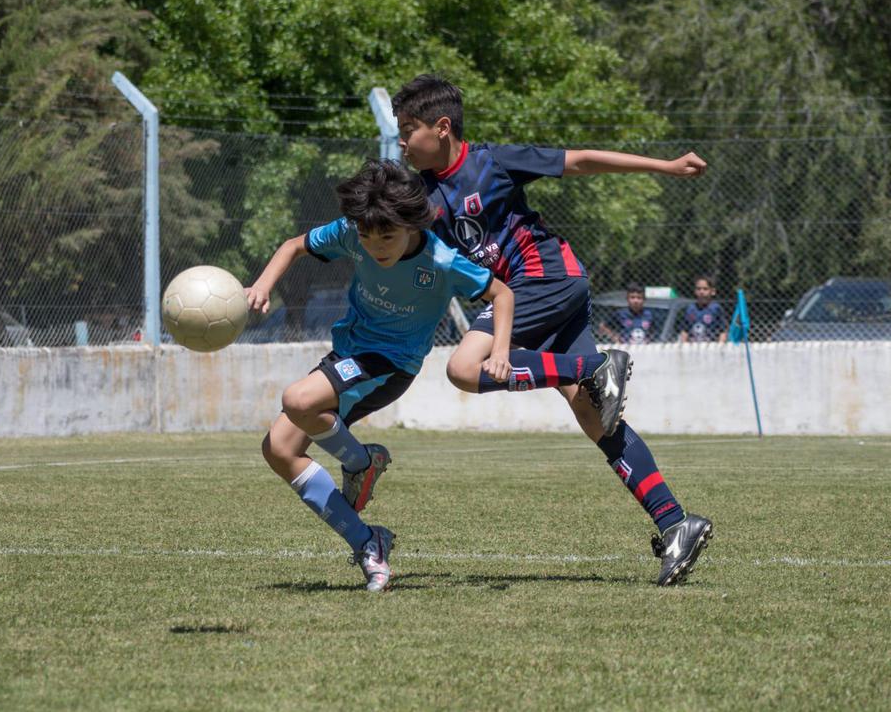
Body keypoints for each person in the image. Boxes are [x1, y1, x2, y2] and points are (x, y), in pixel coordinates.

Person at [391, 74, 714, 586]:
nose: (403, 141)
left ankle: (596, 365)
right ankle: (676, 522)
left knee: (463, 368)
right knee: (594, 416)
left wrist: (667, 167)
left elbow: (581, 159)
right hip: (543, 293)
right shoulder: (424, 194)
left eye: (409, 129)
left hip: (544, 278)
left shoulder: (492, 162)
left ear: (443, 127)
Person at [246, 158, 520, 592]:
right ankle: (368, 540)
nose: (375, 245)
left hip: (391, 364)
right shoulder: (354, 232)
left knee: (299, 400)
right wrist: (261, 285)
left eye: (387, 235)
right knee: (279, 449)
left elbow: (501, 293)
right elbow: (292, 245)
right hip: (351, 354)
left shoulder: (442, 260)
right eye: (367, 236)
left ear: (411, 224)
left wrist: (500, 351)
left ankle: (359, 460)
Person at [679, 275, 728, 343]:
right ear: (695, 291)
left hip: (711, 346)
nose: (701, 292)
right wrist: (684, 345)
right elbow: (685, 330)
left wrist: (720, 346)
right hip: (693, 346)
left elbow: (723, 331)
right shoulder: (690, 309)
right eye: (698, 289)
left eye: (705, 289)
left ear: (713, 291)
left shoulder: (716, 309)